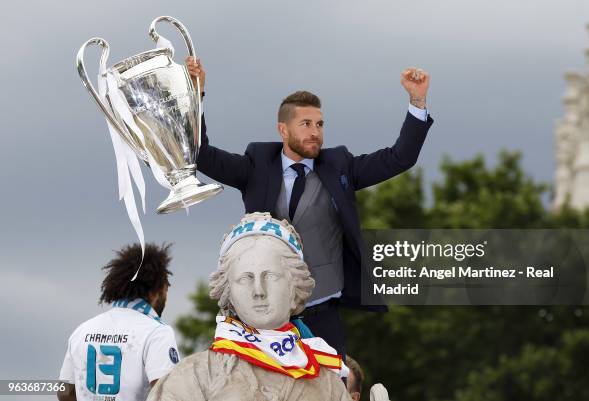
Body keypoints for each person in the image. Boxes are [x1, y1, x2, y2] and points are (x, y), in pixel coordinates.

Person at [186, 56, 433, 357]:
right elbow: (203, 154)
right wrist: (196, 92)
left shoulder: (340, 165)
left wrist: (417, 102)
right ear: (283, 129)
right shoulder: (256, 165)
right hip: (264, 318)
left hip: (323, 315)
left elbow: (400, 158)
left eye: (319, 124)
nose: (315, 131)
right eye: (305, 124)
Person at [147, 213, 351, 401]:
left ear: (295, 287)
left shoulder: (329, 385)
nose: (258, 291)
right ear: (229, 293)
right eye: (245, 278)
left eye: (271, 276)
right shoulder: (194, 378)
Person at [57, 243, 180, 401]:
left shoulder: (82, 331)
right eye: (166, 288)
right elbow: (167, 395)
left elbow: (65, 392)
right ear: (159, 289)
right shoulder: (157, 332)